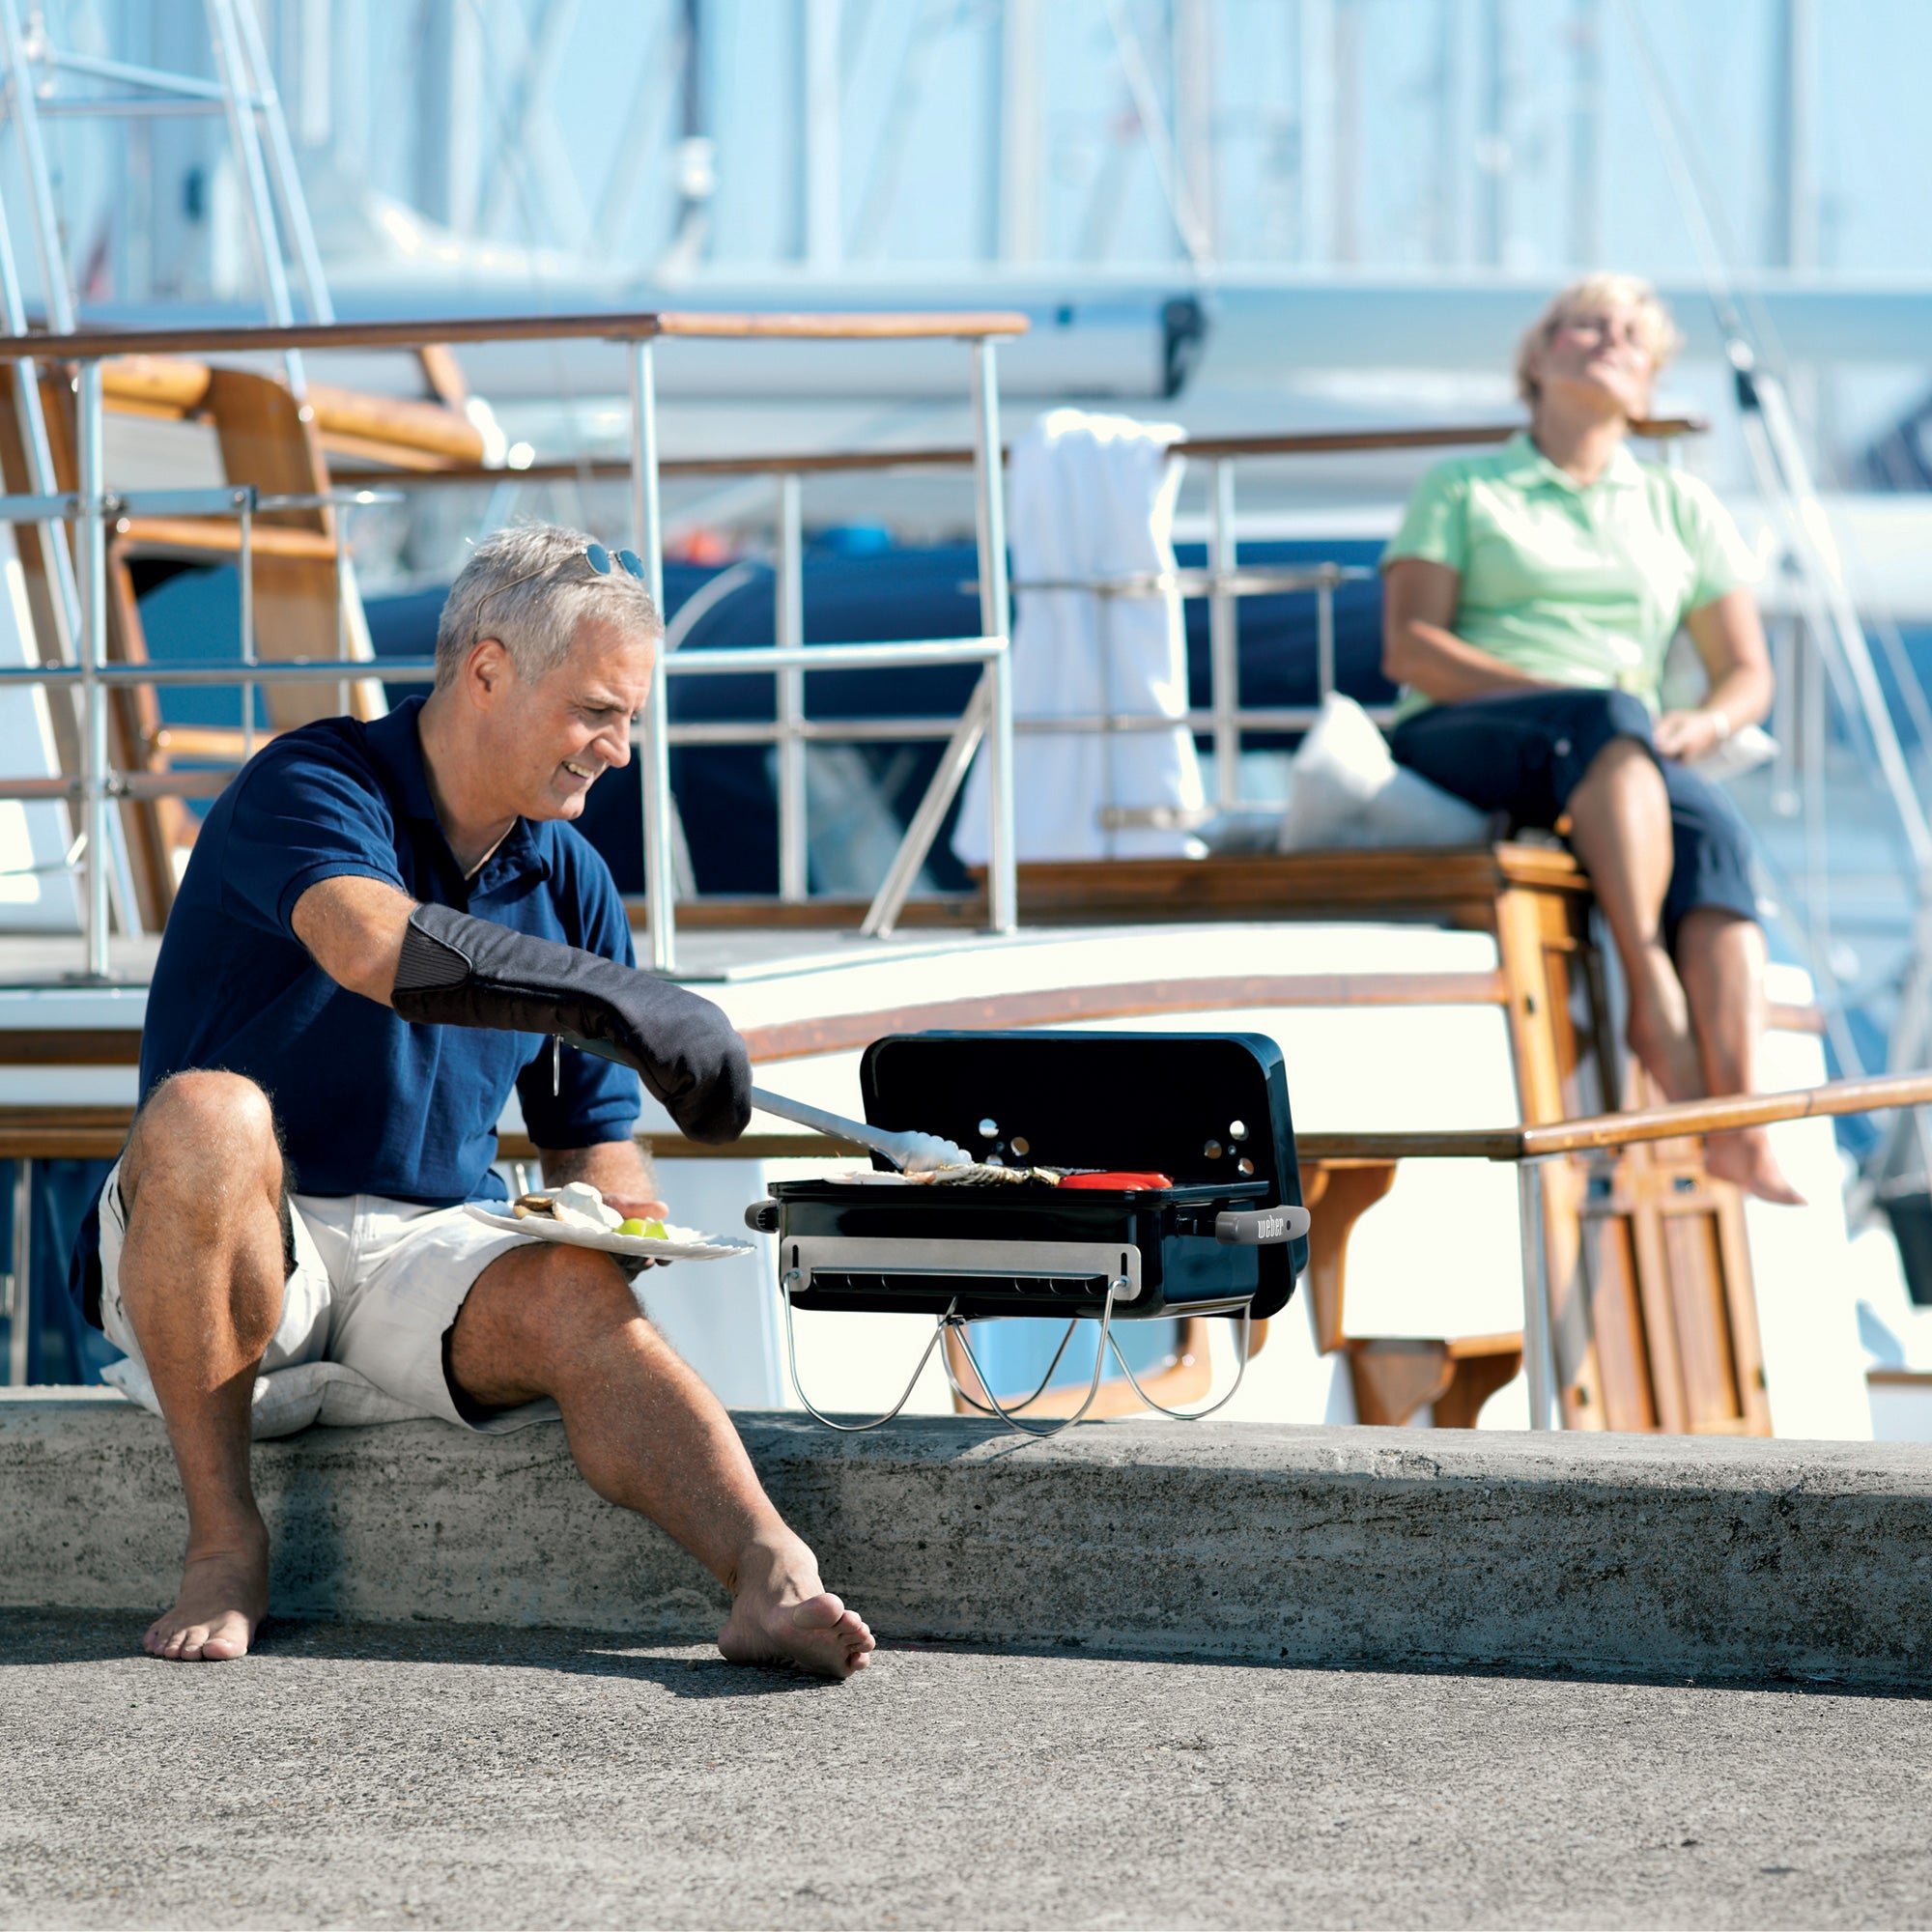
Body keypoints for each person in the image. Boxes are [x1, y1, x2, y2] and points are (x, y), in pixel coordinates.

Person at [71, 522, 875, 1676]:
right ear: (488, 669)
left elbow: (590, 1135)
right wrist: (617, 994)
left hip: (422, 1248)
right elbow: (371, 943)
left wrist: (623, 1224)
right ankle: (223, 1545)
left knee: (576, 1282)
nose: (619, 749)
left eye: (630, 718)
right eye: (597, 711)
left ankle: (767, 1569)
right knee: (210, 1113)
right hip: (232, 1240)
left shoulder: (570, 872)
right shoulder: (312, 780)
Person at [1379, 273, 1802, 1204]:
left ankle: (1740, 1122)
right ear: (1535, 359)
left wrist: (1709, 720)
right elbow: (1410, 647)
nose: (1608, 340)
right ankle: (1651, 991)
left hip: (1616, 746)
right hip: (1470, 728)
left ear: (1648, 384)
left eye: (1630, 335)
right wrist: (1571, 698)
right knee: (1605, 718)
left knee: (1717, 834)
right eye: (1584, 326)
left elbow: (1747, 672)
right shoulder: (1463, 487)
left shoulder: (1680, 506)